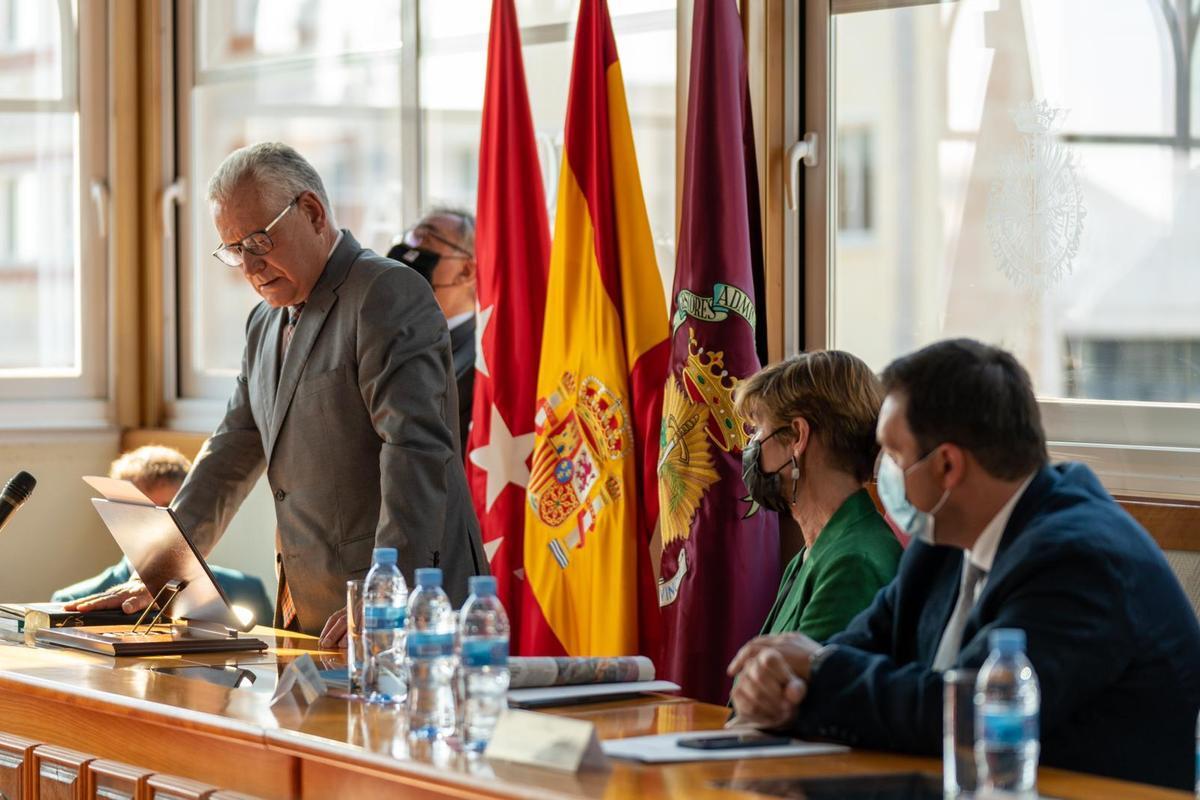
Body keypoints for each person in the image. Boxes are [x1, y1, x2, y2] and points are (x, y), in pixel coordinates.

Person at [727, 338, 1200, 790]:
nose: (880, 474)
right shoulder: (945, 539)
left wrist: (814, 672)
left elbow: (967, 712)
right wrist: (787, 679)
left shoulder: (1080, 559)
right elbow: (861, 646)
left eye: (892, 456)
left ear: (947, 467)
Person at [68, 142, 487, 638]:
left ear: (311, 212)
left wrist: (386, 590)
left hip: (400, 603)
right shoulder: (264, 322)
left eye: (259, 242)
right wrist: (159, 569)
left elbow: (415, 450)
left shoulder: (384, 292)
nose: (249, 266)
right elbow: (229, 452)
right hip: (312, 607)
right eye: (234, 249)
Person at [736, 352, 900, 641]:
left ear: (798, 436)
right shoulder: (816, 550)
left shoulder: (853, 563)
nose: (752, 445)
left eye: (759, 428)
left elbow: (796, 683)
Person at [52, 445, 274, 627]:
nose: (157, 523)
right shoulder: (72, 602)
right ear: (115, 514)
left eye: (171, 509)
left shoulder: (247, 591)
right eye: (143, 508)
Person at [387, 209, 477, 458]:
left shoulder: (480, 363)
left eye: (426, 238)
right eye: (411, 238)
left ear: (467, 271)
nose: (410, 249)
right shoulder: (385, 338)